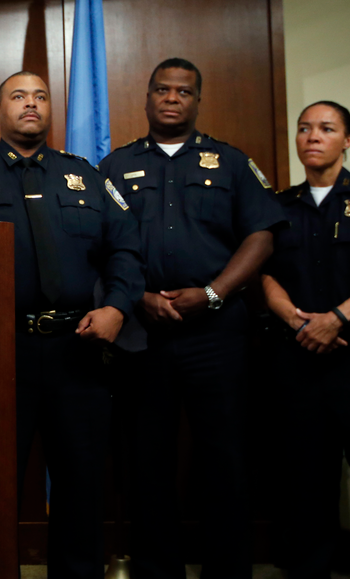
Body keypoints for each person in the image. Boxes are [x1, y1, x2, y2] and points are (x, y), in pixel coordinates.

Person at [98, 58, 284, 579]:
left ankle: (229, 570)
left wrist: (214, 293)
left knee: (225, 459)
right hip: (143, 335)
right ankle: (157, 570)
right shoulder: (115, 166)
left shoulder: (229, 162)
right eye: (162, 89)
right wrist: (136, 299)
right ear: (148, 97)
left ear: (197, 101)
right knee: (147, 461)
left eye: (184, 91)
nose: (172, 98)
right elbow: (102, 246)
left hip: (217, 335)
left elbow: (263, 234)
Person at [0, 71, 143, 578]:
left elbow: (125, 249)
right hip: (0, 354)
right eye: (18, 96)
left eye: (41, 96)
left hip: (79, 350)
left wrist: (117, 306)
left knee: (80, 483)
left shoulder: (85, 176)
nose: (31, 104)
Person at [261, 101, 350, 578]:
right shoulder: (276, 206)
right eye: (304, 129)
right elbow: (265, 274)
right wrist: (300, 324)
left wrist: (337, 317)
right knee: (304, 487)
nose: (313, 136)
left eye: (327, 128)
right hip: (299, 366)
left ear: (348, 140)